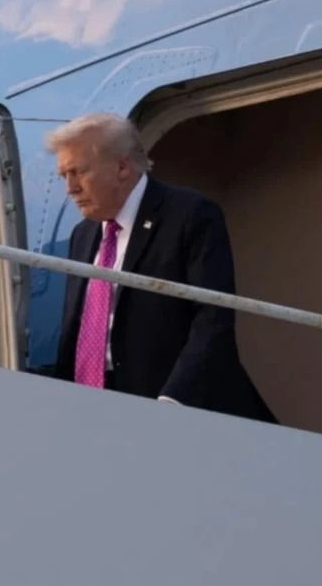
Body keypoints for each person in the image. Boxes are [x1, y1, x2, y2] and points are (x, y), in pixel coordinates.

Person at [46, 112, 276, 424]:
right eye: (64, 176)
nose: (70, 188)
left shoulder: (190, 215)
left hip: (178, 408)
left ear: (123, 167)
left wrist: (172, 402)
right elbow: (79, 331)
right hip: (100, 407)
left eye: (79, 172)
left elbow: (213, 319)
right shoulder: (83, 235)